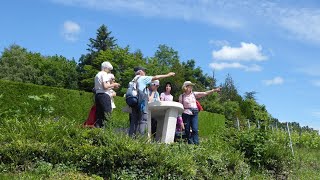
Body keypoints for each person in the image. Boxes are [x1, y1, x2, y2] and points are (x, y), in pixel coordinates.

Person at [129, 66, 175, 137]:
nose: (145, 73)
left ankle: (131, 139)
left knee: (134, 120)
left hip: (134, 101)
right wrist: (168, 75)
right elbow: (156, 77)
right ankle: (142, 139)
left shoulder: (132, 80)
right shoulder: (142, 78)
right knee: (143, 120)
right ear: (141, 72)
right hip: (141, 100)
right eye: (144, 71)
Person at [94, 61, 120, 128]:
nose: (109, 71)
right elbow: (105, 86)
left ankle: (97, 131)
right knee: (107, 114)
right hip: (104, 95)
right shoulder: (104, 74)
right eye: (108, 69)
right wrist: (114, 84)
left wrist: (111, 86)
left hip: (97, 95)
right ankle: (107, 132)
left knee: (99, 115)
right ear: (105, 68)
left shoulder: (97, 75)